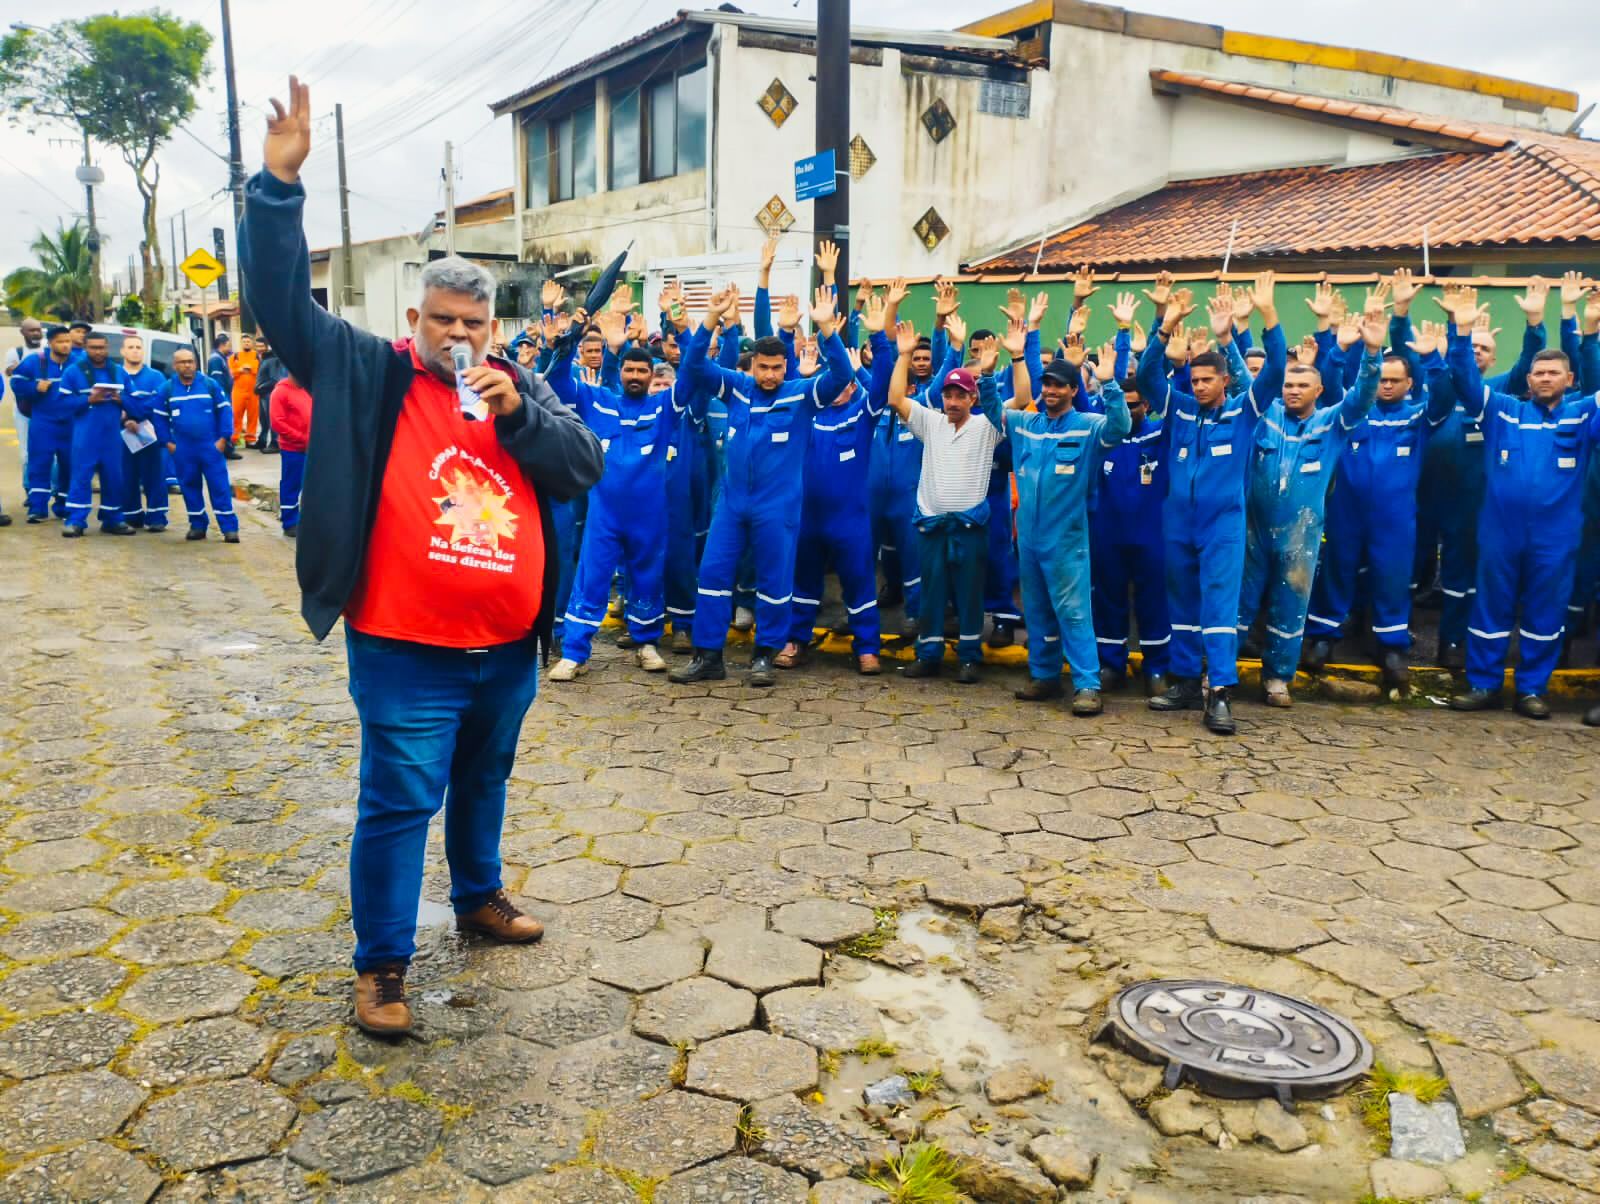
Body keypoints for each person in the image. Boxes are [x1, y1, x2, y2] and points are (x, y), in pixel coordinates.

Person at [241, 75, 603, 1036]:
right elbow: (278, 304)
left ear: (494, 328)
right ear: (417, 320)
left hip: (503, 648)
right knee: (400, 801)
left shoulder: (520, 388)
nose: (457, 336)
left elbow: (580, 468)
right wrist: (277, 190)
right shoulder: (365, 369)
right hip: (406, 647)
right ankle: (384, 968)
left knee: (485, 780)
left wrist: (520, 407)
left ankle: (480, 897)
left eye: (473, 324)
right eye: (442, 319)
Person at [669, 284, 853, 687]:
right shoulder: (736, 388)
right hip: (732, 505)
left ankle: (764, 656)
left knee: (773, 581)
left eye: (776, 367)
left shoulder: (803, 395)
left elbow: (843, 374)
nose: (769, 375)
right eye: (763, 368)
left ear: (785, 366)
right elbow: (696, 368)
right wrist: (711, 321)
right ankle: (708, 656)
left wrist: (827, 330)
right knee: (713, 576)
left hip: (778, 508)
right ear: (752, 367)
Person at [1137, 273, 1286, 735]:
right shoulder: (1179, 407)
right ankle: (1184, 682)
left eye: (1208, 380)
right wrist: (1165, 325)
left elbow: (1277, 370)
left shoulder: (1245, 411)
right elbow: (1145, 377)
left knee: (1218, 606)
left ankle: (1219, 693)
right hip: (1177, 521)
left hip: (1223, 524)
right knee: (1180, 601)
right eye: (1195, 379)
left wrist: (1267, 316)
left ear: (1225, 380)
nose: (1199, 386)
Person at [1446, 290, 1600, 719]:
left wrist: (1587, 332)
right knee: (1490, 605)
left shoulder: (1584, 415)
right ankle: (1483, 685)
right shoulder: (1504, 410)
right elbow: (1463, 379)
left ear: (1570, 381)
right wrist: (1460, 332)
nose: (1544, 378)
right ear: (1527, 379)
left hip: (1556, 536)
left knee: (1544, 612)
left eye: (1553, 373)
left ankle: (1532, 689)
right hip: (1500, 532)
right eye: (1537, 372)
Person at [544, 301, 704, 681]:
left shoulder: (665, 407)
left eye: (642, 370)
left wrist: (681, 329)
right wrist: (568, 342)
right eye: (629, 369)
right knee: (592, 578)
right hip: (605, 515)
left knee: (648, 578)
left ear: (651, 375)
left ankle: (646, 644)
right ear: (622, 373)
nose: (635, 375)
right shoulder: (597, 400)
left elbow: (695, 370)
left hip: (649, 516)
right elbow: (558, 383)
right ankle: (575, 652)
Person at [1236, 302, 1384, 707]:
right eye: (1287, 385)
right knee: (1238, 604)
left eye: (1302, 386)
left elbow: (1364, 395)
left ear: (1319, 391)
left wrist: (1372, 353)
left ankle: (1277, 679)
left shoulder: (1332, 422)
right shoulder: (1262, 418)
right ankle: (1218, 675)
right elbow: (1237, 377)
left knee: (1291, 605)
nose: (1292, 390)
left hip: (1301, 534)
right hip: (1252, 529)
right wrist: (1233, 332)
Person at [1305, 286, 1454, 686]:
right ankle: (1323, 637)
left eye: (1394, 381)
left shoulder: (1418, 416)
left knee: (1392, 575)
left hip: (1396, 514)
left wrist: (1432, 358)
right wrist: (1340, 346)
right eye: (1381, 379)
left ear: (1408, 384)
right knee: (1337, 570)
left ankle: (1391, 646)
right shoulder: (1355, 412)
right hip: (1346, 509)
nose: (1386, 386)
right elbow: (1330, 380)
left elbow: (1443, 397)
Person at [1005, 306, 1131, 714]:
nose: (1052, 391)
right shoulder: (1028, 426)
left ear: (1074, 389)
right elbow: (994, 412)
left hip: (1068, 541)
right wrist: (1000, 368)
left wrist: (1109, 384)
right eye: (1048, 385)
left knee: (1074, 615)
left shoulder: (1089, 425)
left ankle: (1087, 685)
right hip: (1030, 539)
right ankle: (1043, 677)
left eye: (1060, 385)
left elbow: (1120, 427)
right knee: (1037, 613)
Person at [778, 289, 900, 676]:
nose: (836, 388)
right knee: (802, 582)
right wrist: (786, 333)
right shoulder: (804, 410)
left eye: (841, 382)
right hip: (805, 517)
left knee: (859, 583)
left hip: (849, 519)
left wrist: (879, 337)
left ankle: (867, 648)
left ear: (852, 386)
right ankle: (796, 641)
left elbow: (883, 376)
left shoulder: (862, 413)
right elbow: (779, 376)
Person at [886, 320, 1005, 684]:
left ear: (973, 398)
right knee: (931, 594)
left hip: (969, 527)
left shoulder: (989, 427)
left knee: (970, 597)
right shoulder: (931, 422)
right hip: (932, 525)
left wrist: (988, 373)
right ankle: (929, 654)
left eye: (960, 396)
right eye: (948, 395)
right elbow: (894, 399)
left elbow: (1014, 400)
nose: (952, 402)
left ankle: (969, 657)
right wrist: (903, 355)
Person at [1092, 297, 1169, 697]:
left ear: (1148, 405)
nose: (1129, 411)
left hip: (1152, 537)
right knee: (1108, 601)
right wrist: (1120, 340)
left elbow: (1169, 381)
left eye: (1135, 405)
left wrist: (1155, 328)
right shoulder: (1103, 434)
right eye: (1122, 404)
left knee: (1155, 603)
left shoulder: (1161, 433)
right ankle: (1111, 666)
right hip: (1107, 535)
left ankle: (1157, 669)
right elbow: (1109, 380)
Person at [156, 349, 239, 543]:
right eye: (182, 362)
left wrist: (223, 439)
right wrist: (167, 442)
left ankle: (229, 528)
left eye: (191, 361)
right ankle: (197, 525)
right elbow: (158, 418)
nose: (187, 365)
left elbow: (225, 411)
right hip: (183, 449)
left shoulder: (210, 385)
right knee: (189, 487)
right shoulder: (166, 389)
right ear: (175, 366)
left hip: (210, 447)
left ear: (196, 363)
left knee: (219, 487)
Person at [58, 331, 136, 537]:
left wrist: (122, 400)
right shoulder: (73, 372)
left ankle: (113, 519)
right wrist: (88, 400)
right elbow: (61, 405)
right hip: (86, 436)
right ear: (85, 348)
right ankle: (75, 520)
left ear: (107, 348)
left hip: (112, 437)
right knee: (81, 476)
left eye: (102, 347)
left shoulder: (119, 372)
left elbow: (137, 404)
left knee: (114, 476)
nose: (98, 352)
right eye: (93, 348)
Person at [12, 325, 77, 522]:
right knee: (39, 464)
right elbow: (16, 382)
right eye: (61, 342)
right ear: (50, 343)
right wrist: (34, 386)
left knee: (69, 464)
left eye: (68, 342)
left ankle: (63, 505)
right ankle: (37, 507)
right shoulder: (35, 361)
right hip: (43, 423)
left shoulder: (77, 363)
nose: (65, 346)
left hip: (71, 423)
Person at [118, 335, 170, 532]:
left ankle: (157, 516)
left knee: (154, 476)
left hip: (148, 433)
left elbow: (156, 403)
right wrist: (125, 420)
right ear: (122, 351)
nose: (135, 350)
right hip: (122, 434)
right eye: (130, 347)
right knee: (126, 475)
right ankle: (131, 515)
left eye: (138, 347)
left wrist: (130, 411)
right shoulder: (116, 375)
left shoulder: (156, 377)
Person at [270, 372, 312, 537]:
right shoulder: (280, 392)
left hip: (310, 447)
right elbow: (277, 422)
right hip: (293, 449)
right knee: (291, 485)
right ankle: (290, 523)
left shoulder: (307, 390)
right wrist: (301, 438)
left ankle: (305, 520)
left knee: (308, 486)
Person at [5, 316, 44, 486]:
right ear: (23, 332)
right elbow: (10, 373)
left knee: (53, 454)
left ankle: (53, 489)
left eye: (38, 329)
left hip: (47, 408)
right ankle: (30, 489)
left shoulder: (48, 349)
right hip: (23, 409)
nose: (36, 333)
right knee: (26, 453)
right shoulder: (15, 352)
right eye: (32, 330)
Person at [229, 332, 262, 450]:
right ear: (241, 343)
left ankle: (250, 439)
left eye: (248, 341)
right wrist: (241, 369)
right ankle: (234, 439)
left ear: (252, 343)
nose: (246, 343)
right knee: (236, 415)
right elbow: (231, 372)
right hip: (238, 390)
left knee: (253, 416)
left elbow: (260, 371)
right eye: (244, 342)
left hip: (253, 391)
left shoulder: (257, 356)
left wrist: (251, 369)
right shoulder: (235, 356)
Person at [254, 335, 285, 452]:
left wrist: (260, 387)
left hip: (268, 394)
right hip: (263, 394)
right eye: (257, 346)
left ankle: (275, 443)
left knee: (271, 419)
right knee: (264, 420)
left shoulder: (272, 360)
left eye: (262, 346)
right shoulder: (263, 359)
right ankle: (262, 440)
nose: (259, 348)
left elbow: (275, 379)